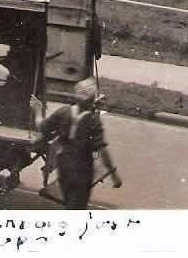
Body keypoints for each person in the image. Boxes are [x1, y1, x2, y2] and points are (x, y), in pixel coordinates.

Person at [33, 77, 122, 209]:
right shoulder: (93, 120)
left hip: (64, 166)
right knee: (77, 206)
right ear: (92, 99)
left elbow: (41, 126)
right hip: (83, 170)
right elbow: (100, 149)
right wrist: (113, 174)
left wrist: (37, 110)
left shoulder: (63, 112)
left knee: (69, 202)